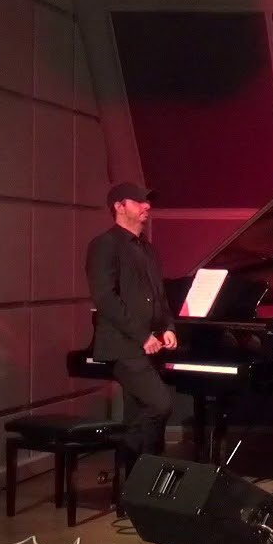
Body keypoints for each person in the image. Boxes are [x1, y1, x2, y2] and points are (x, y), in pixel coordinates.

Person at [86, 183, 177, 474]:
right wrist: (143, 336)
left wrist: (167, 327)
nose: (146, 206)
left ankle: (134, 481)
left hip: (149, 346)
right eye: (138, 201)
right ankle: (134, 467)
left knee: (139, 412)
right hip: (125, 346)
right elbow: (105, 298)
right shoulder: (104, 245)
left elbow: (159, 296)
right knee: (160, 405)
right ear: (119, 206)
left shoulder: (148, 249)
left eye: (147, 201)